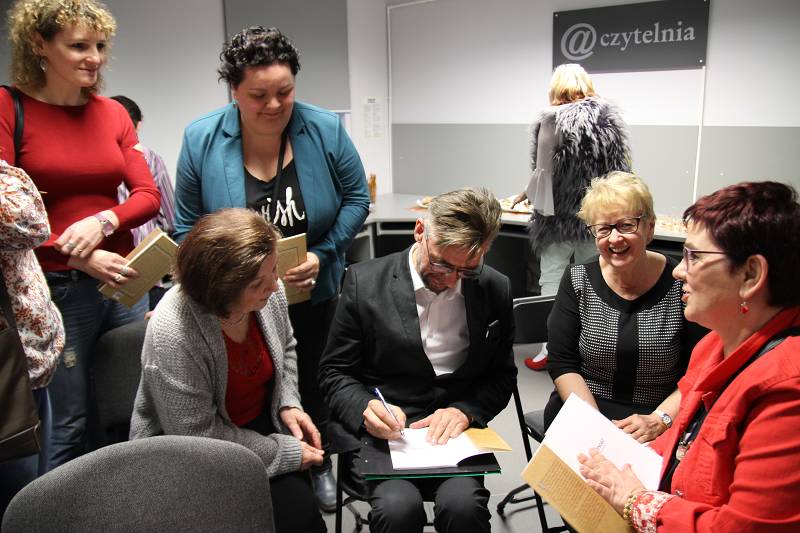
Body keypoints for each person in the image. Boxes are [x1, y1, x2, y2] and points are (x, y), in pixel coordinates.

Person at [173, 25, 369, 509]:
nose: (275, 105)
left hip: (312, 289)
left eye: (285, 91)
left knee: (313, 381)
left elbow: (356, 198)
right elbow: (185, 229)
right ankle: (255, 467)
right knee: (250, 388)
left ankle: (318, 462)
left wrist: (324, 252)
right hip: (238, 304)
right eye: (258, 95)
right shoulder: (201, 138)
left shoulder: (323, 128)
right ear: (234, 91)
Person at [579, 181, 800, 531]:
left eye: (694, 257)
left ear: (751, 275)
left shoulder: (788, 392)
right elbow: (680, 445)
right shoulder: (712, 347)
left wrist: (635, 501)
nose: (679, 270)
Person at [0, 0, 161, 469]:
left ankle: (135, 501)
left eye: (100, 46)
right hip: (57, 288)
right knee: (68, 424)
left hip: (123, 282)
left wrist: (104, 221)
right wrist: (75, 255)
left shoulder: (112, 113)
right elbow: (5, 215)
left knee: (133, 413)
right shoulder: (10, 107)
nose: (94, 58)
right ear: (39, 44)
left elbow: (147, 195)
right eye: (78, 46)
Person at [320, 188, 516, 533]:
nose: (451, 280)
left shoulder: (494, 288)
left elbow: (501, 375)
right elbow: (334, 372)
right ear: (420, 230)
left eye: (468, 270)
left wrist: (465, 411)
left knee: (464, 509)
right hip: (385, 432)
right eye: (441, 263)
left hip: (454, 433)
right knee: (398, 511)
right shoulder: (364, 283)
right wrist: (366, 408)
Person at [130, 208, 326, 533]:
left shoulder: (269, 293)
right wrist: (283, 452)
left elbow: (287, 347)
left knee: (303, 519)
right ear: (220, 291)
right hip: (187, 454)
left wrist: (288, 402)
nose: (275, 284)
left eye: (274, 269)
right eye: (258, 283)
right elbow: (198, 438)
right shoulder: (174, 330)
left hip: (258, 425)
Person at [544, 172, 704, 443]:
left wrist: (660, 420)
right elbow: (562, 362)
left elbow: (700, 369)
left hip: (658, 415)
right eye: (603, 229)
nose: (615, 238)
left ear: (649, 227)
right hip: (584, 408)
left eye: (626, 225)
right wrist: (595, 424)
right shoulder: (577, 279)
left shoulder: (681, 282)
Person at [519, 63, 630, 371]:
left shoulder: (551, 120)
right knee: (594, 280)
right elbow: (620, 172)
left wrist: (527, 194)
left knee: (552, 280)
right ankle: (591, 349)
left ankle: (550, 348)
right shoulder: (608, 120)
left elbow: (543, 173)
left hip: (557, 217)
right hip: (597, 216)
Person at [0, 160, 64, 516]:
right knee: (22, 506)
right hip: (8, 375)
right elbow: (29, 222)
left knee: (38, 494)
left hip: (27, 362)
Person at [112, 95, 175, 310]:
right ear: (138, 125)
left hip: (107, 266)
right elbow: (170, 218)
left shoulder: (93, 160)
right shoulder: (151, 158)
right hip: (148, 264)